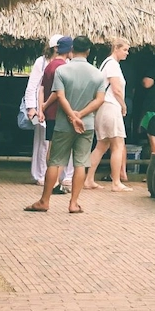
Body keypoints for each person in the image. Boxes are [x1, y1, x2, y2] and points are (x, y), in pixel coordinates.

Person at [25, 36, 105, 214]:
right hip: (86, 124)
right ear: (89, 51)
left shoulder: (62, 70)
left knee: (55, 162)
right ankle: (74, 203)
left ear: (72, 49)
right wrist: (81, 115)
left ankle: (44, 201)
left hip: (63, 123)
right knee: (80, 163)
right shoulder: (98, 74)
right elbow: (100, 99)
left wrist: (71, 116)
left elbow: (59, 96)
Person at [85, 37, 132, 192]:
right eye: (124, 49)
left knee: (101, 145)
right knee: (118, 145)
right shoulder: (112, 65)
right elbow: (117, 89)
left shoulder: (105, 63)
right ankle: (116, 182)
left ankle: (88, 179)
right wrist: (123, 106)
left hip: (103, 108)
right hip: (111, 106)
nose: (127, 53)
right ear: (116, 48)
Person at [24, 34, 62, 185]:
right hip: (41, 108)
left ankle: (62, 175)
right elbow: (33, 86)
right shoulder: (41, 62)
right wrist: (31, 107)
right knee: (42, 142)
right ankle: (40, 174)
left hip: (57, 108)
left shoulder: (68, 62)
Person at [38, 36, 75, 193]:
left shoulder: (49, 66)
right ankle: (53, 183)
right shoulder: (63, 67)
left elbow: (41, 88)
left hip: (51, 113)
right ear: (69, 50)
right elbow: (58, 92)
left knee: (52, 147)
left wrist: (42, 107)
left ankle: (52, 180)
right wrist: (46, 104)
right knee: (60, 150)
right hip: (59, 112)